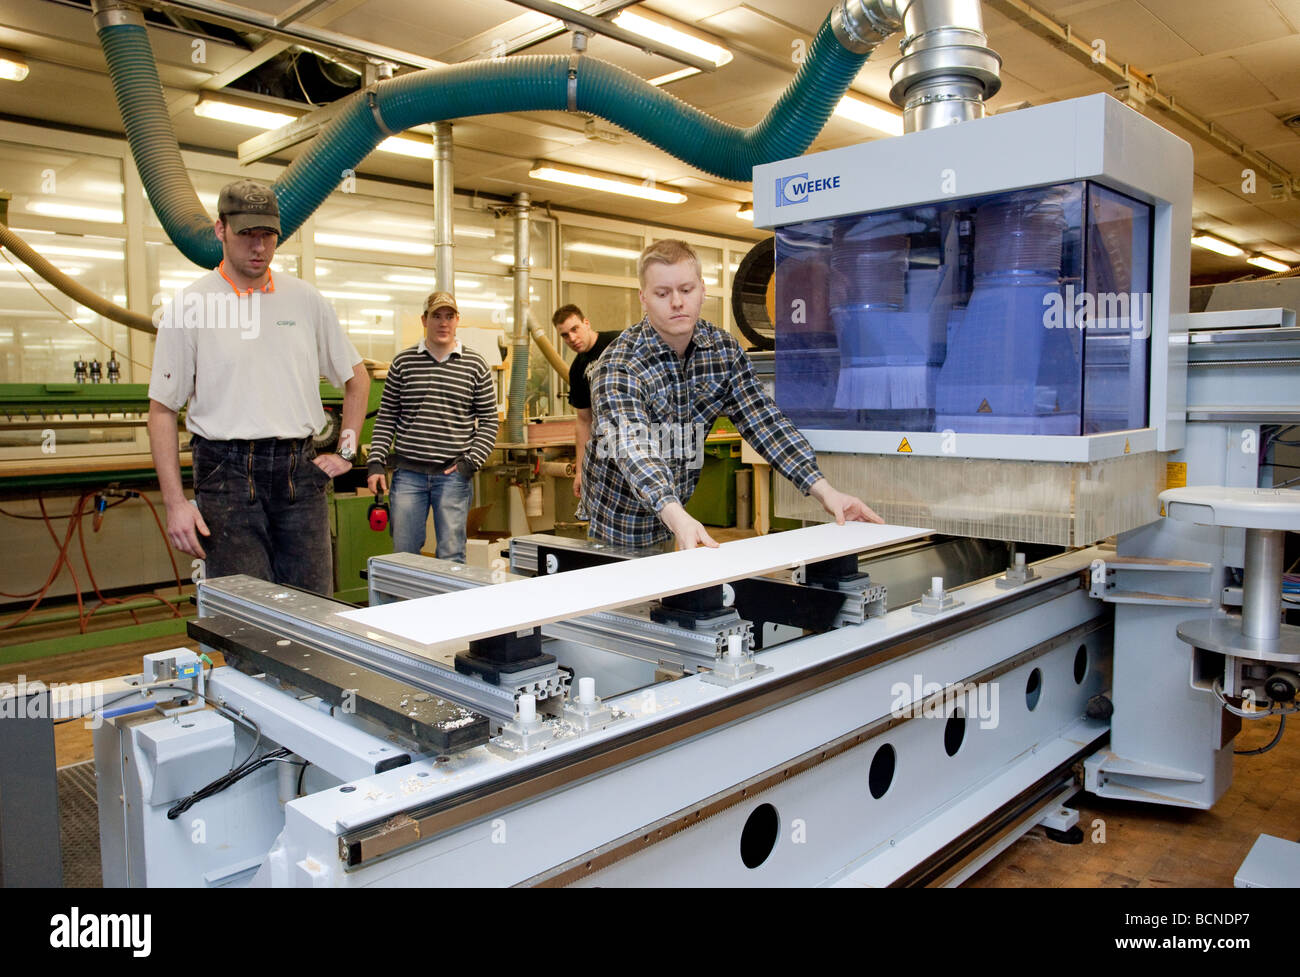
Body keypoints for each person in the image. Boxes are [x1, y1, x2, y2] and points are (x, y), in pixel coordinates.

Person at [585, 239, 883, 550]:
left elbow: (765, 422)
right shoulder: (620, 364)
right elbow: (633, 446)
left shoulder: (722, 350)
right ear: (643, 298)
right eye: (662, 293)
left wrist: (825, 491)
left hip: (673, 515)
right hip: (617, 522)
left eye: (686, 290)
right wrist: (676, 514)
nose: (676, 302)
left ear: (702, 289)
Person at [148, 179, 369, 595]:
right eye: (246, 234)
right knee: (247, 612)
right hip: (225, 473)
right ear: (220, 230)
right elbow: (161, 411)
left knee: (313, 607)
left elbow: (357, 380)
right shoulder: (189, 307)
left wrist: (345, 451)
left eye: (267, 235)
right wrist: (176, 504)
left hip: (298, 472)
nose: (259, 247)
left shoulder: (305, 300)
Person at [366, 291, 498, 563]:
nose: (443, 322)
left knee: (451, 555)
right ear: (424, 320)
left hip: (453, 476)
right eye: (436, 316)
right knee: (404, 556)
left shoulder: (475, 365)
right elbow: (387, 416)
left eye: (449, 316)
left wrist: (470, 463)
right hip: (408, 475)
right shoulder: (403, 363)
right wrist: (376, 463)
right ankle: (406, 606)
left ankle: (449, 607)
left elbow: (488, 421)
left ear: (457, 320)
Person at [554, 304, 619, 501]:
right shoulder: (577, 370)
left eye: (575, 329)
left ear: (586, 323)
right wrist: (581, 472)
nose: (572, 338)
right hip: (609, 449)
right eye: (565, 335)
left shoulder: (619, 342)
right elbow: (584, 421)